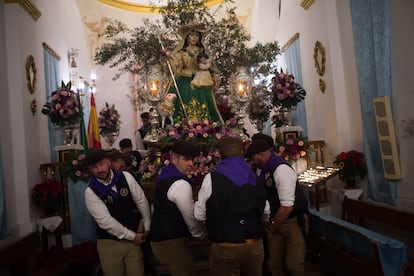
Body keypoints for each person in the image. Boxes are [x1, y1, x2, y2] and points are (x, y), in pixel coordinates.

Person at [194, 136, 268, 276]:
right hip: (254, 242)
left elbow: (200, 214)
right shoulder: (254, 175)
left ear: (219, 154)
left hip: (225, 244)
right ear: (241, 153)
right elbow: (265, 210)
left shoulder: (212, 179)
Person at [245, 139, 308, 276]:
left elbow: (287, 207)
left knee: (294, 265)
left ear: (261, 154)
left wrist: (271, 228)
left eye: (252, 158)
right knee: (273, 264)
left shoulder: (281, 170)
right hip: (275, 221)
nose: (251, 162)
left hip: (291, 222)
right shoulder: (263, 170)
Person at [84, 149, 151, 276]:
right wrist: (132, 236)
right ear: (90, 170)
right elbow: (106, 222)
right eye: (94, 167)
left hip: (133, 243)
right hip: (109, 245)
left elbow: (141, 200)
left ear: (108, 162)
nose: (99, 170)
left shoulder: (125, 177)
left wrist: (147, 224)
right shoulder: (90, 192)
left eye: (102, 164)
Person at [150, 140, 207, 276]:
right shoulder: (180, 184)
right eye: (186, 159)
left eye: (192, 159)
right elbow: (190, 217)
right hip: (171, 242)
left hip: (160, 239)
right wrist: (201, 234)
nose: (191, 164)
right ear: (174, 159)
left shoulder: (165, 175)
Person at [168, 25, 224, 123]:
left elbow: (211, 65)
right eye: (191, 35)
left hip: (201, 80)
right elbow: (175, 65)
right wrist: (167, 60)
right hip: (184, 81)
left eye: (196, 36)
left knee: (204, 100)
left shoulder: (202, 51)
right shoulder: (182, 52)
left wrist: (215, 74)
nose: (194, 38)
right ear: (187, 37)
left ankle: (204, 124)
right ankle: (182, 125)